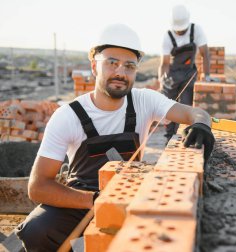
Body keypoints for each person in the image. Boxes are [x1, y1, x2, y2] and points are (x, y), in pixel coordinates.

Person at [15, 23, 215, 251]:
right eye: (112, 63)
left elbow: (194, 112)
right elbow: (38, 186)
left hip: (129, 194)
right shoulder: (67, 116)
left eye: (129, 66)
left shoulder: (144, 101)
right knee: (37, 230)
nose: (121, 72)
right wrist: (95, 200)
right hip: (80, 198)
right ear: (94, 66)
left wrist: (201, 125)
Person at [159, 4, 211, 142]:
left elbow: (205, 53)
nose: (180, 32)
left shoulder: (196, 30)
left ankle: (183, 136)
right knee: (168, 105)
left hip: (189, 74)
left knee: (186, 105)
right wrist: (162, 79)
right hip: (172, 75)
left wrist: (207, 76)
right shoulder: (168, 36)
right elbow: (164, 63)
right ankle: (169, 137)